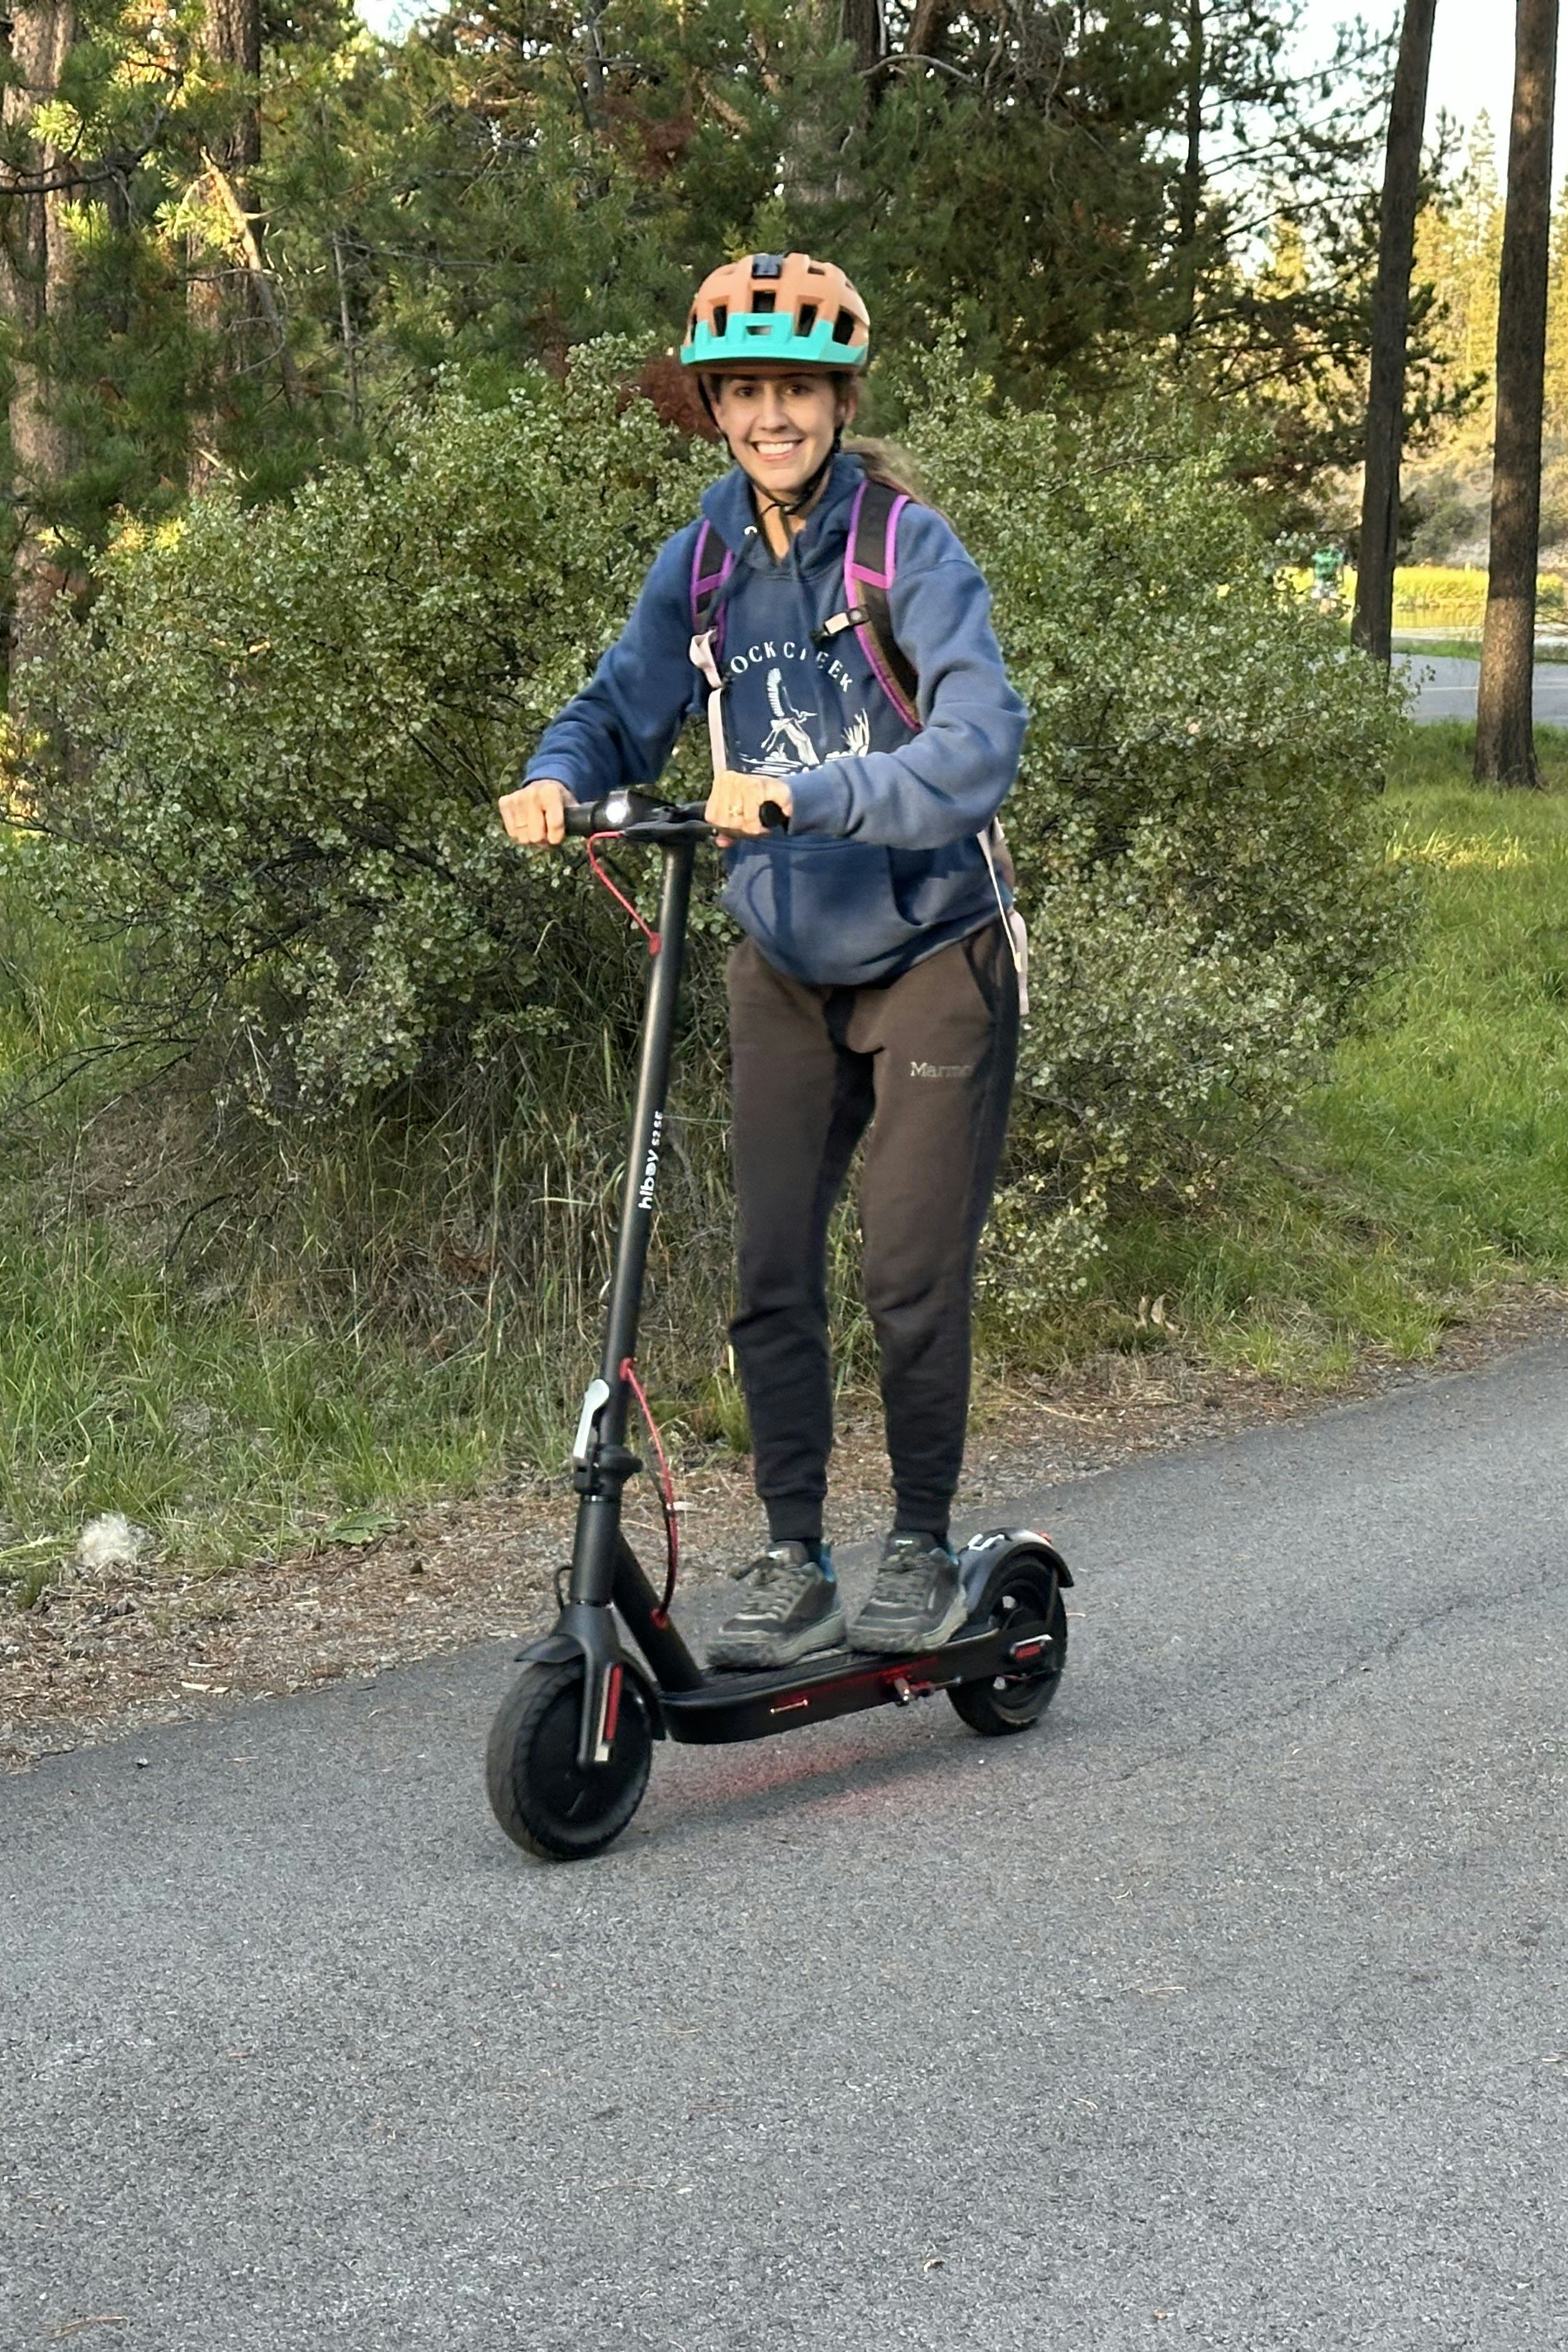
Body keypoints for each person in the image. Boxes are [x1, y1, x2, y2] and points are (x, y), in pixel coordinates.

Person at [500, 253, 1029, 1672]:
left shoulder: (905, 550)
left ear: (840, 399)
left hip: (931, 948)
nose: (771, 415)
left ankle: (919, 1535)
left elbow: (978, 745)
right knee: (770, 1269)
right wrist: (560, 779)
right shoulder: (711, 557)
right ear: (715, 406)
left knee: (909, 1271)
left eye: (796, 388)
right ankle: (794, 1552)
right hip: (783, 956)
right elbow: (622, 703)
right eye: (745, 391)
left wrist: (821, 791)